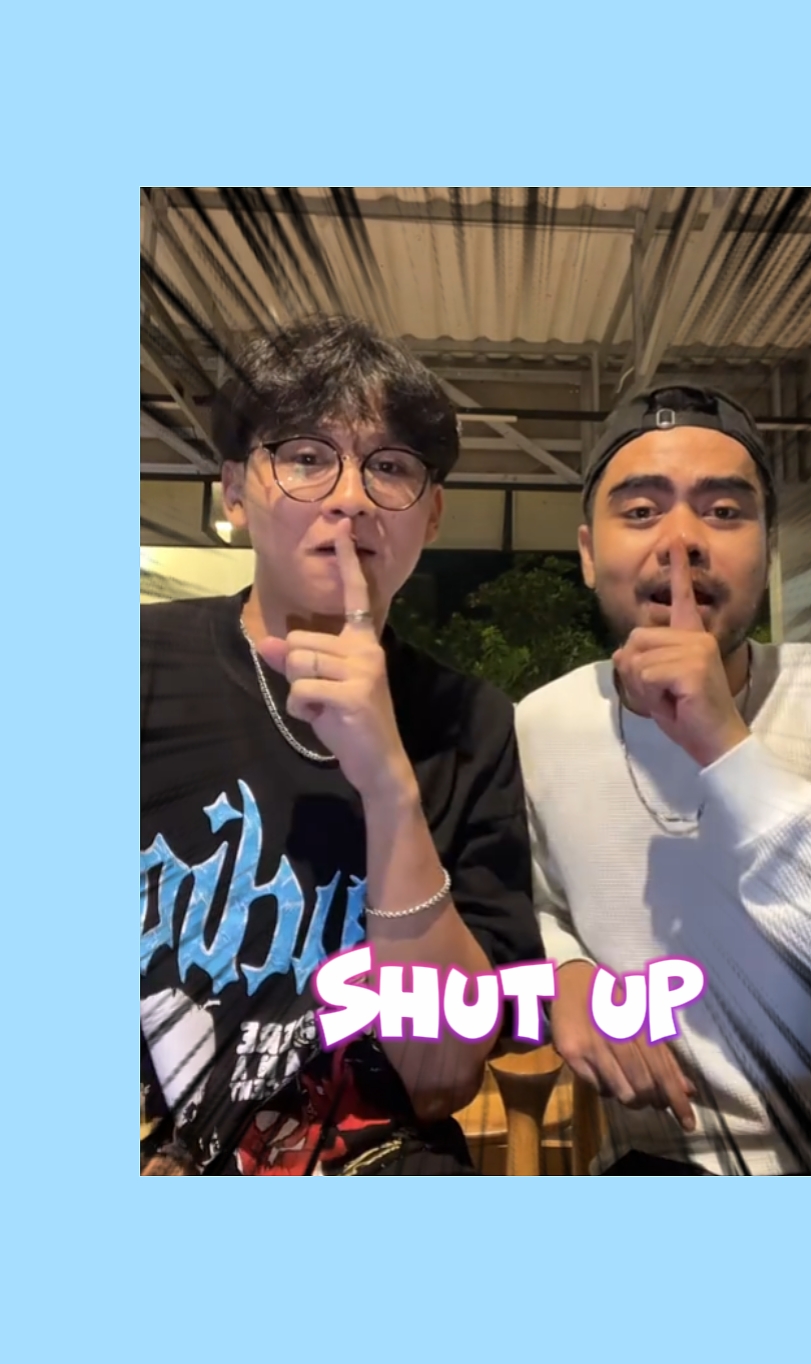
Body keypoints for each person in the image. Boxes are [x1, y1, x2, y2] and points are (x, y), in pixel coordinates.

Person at [141, 317, 545, 1175]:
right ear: (234, 492)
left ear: (431, 515)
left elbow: (442, 1077)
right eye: (305, 456)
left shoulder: (472, 724)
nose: (351, 495)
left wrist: (389, 786)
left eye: (390, 467)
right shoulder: (134, 667)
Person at [515, 385, 811, 1175]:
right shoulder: (540, 725)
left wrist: (724, 745)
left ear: (767, 549)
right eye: (640, 511)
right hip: (656, 1158)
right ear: (587, 553)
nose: (681, 540)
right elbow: (539, 901)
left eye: (722, 511)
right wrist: (565, 975)